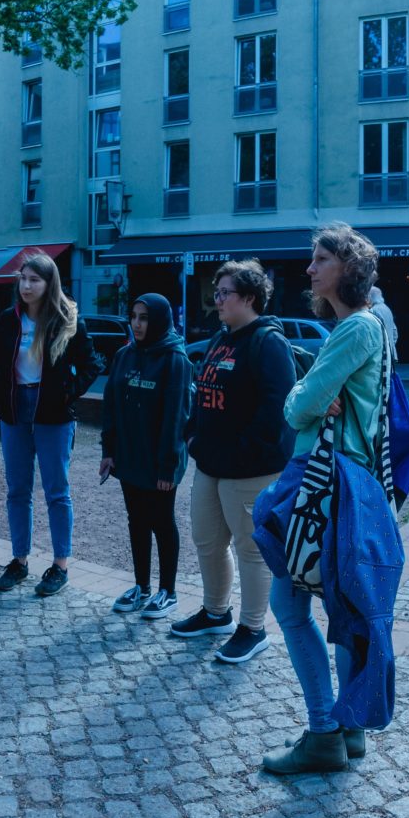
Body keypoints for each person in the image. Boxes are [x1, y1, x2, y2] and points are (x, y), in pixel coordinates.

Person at [261, 224, 394, 775]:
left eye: (321, 260)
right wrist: (316, 394)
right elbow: (317, 399)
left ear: (348, 268)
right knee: (340, 604)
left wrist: (306, 393)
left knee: (290, 605)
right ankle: (348, 729)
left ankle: (323, 734)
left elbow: (297, 408)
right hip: (347, 481)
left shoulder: (354, 329)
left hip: (326, 482)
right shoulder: (368, 324)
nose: (310, 269)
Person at [171, 260, 295, 662]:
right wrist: (192, 435)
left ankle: (253, 628)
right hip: (210, 463)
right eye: (217, 292)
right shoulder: (220, 339)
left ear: (250, 298)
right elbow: (200, 391)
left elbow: (276, 411)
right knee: (207, 541)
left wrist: (240, 451)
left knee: (250, 548)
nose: (217, 299)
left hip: (251, 469)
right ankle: (215, 612)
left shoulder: (267, 342)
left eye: (225, 292)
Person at [0, 254, 99, 597]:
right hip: (16, 412)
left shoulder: (67, 320)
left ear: (50, 284)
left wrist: (67, 394)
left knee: (56, 491)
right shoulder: (8, 320)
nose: (27, 285)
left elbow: (92, 363)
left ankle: (60, 565)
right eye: (23, 279)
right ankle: (19, 561)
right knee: (17, 489)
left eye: (34, 279)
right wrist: (0, 396)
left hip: (53, 415)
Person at [98, 293, 192, 622]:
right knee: (136, 521)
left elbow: (176, 419)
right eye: (134, 317)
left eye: (144, 318)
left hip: (160, 462)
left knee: (162, 523)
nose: (137, 324)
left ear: (160, 320)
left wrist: (168, 465)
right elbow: (110, 406)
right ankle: (141, 586)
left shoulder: (175, 360)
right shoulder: (124, 355)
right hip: (129, 457)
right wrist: (108, 451)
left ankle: (169, 590)